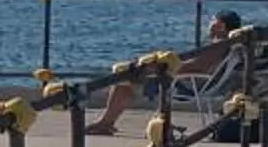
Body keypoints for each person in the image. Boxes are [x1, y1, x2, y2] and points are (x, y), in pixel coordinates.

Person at [89, 11, 244, 136]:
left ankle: (106, 123)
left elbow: (196, 68)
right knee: (129, 77)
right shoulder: (226, 47)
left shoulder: (216, 48)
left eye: (213, 21)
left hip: (183, 85)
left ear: (221, 26)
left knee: (126, 79)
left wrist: (161, 68)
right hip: (193, 83)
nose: (209, 24)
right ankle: (108, 122)